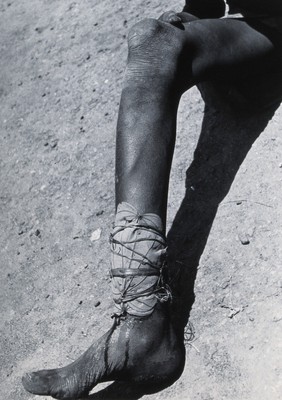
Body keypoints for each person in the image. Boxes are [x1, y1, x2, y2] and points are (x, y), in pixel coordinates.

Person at [22, 1, 282, 398]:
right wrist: (195, 14)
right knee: (152, 40)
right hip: (252, 27)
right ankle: (142, 318)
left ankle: (144, 331)